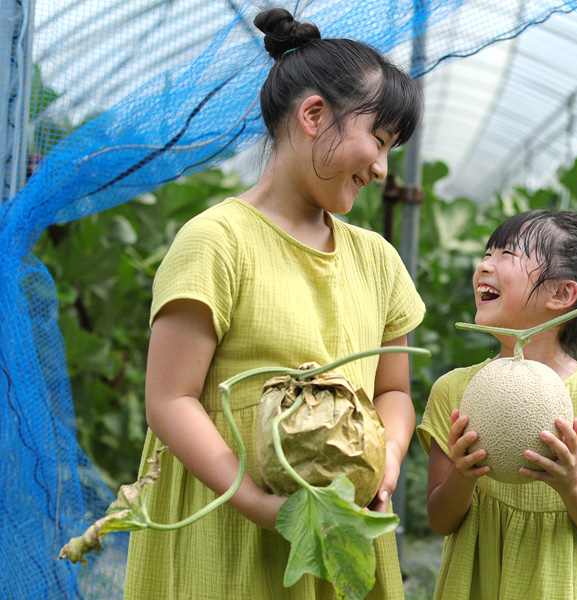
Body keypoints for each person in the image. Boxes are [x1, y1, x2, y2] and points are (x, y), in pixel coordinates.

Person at [123, 8, 424, 599]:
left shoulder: (379, 260)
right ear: (314, 115)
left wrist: (385, 460)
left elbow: (394, 391)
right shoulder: (218, 240)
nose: (382, 168)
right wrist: (256, 501)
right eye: (379, 140)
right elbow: (170, 399)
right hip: (228, 520)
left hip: (337, 527)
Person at [417, 209, 577, 599]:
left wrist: (571, 485)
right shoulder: (454, 390)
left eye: (507, 255)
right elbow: (439, 520)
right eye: (487, 253)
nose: (485, 265)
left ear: (562, 295)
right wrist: (463, 476)